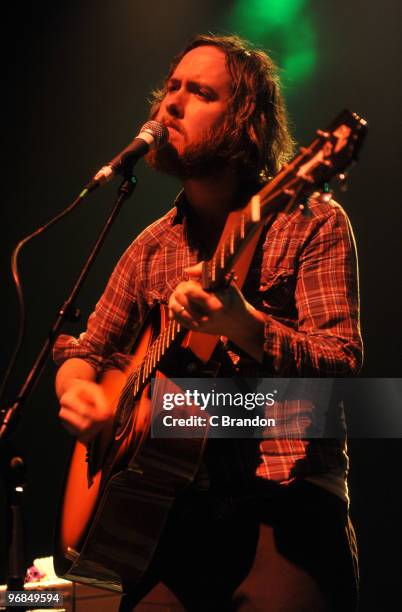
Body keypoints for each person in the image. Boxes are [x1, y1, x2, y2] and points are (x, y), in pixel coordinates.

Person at [53, 35, 362, 611]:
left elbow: (343, 363)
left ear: (245, 123)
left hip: (284, 509)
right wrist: (82, 394)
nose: (171, 103)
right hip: (166, 523)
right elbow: (83, 351)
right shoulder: (151, 247)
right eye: (171, 88)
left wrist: (245, 326)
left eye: (200, 92)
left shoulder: (309, 221)